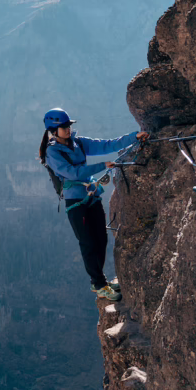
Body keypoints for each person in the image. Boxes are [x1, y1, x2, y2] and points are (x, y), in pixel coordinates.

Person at [38, 108, 148, 302]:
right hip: (75, 202)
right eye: (64, 127)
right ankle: (98, 284)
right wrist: (102, 166)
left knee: (101, 239)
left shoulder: (78, 143)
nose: (68, 129)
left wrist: (134, 137)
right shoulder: (52, 152)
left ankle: (101, 282)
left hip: (91, 196)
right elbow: (72, 174)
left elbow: (106, 145)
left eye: (69, 126)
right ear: (53, 130)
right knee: (88, 242)